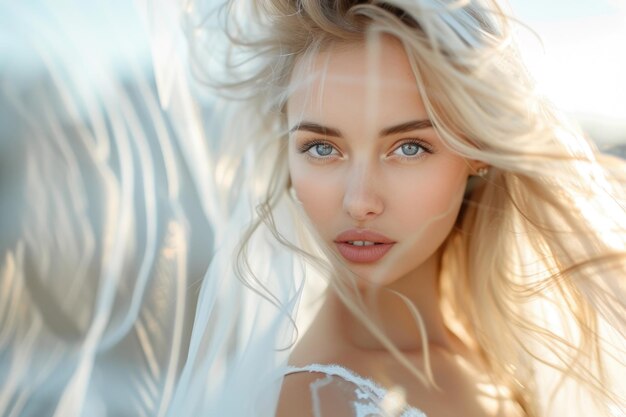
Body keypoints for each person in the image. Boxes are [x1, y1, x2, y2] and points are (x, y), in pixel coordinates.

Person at [167, 0, 626, 416]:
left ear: (476, 150)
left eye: (408, 148)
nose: (359, 202)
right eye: (321, 148)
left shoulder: (497, 355)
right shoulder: (319, 400)